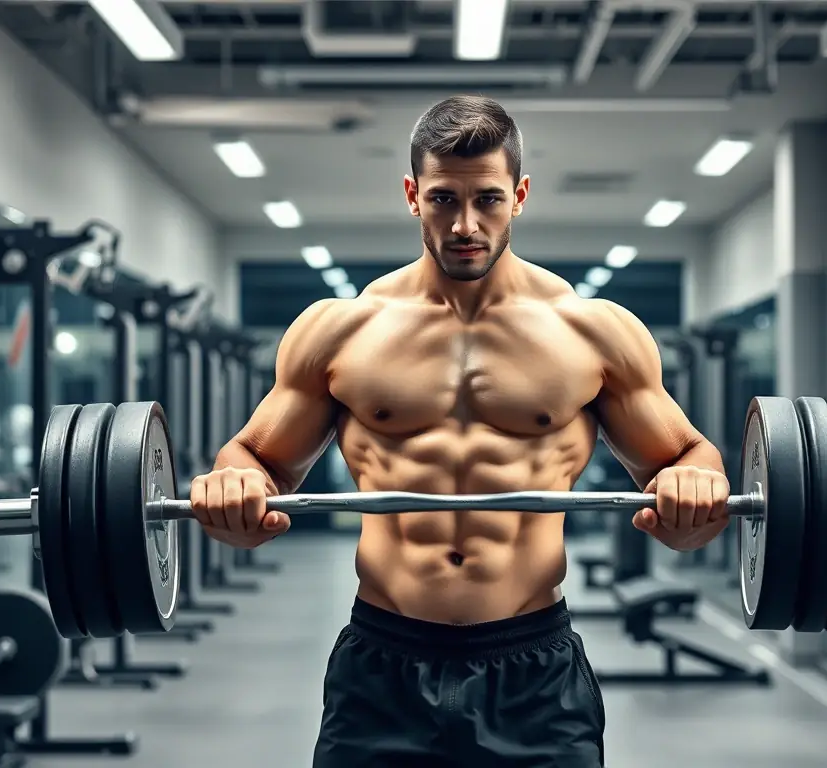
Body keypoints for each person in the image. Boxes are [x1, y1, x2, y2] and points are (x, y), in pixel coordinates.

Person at [190, 94, 730, 767]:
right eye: (444, 199)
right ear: (413, 195)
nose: (466, 224)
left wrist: (692, 491)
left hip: (533, 671)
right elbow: (255, 460)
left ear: (520, 195)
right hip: (382, 665)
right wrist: (233, 486)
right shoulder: (342, 330)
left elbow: (685, 460)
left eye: (489, 201)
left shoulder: (589, 332)